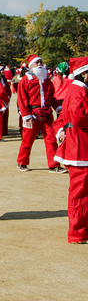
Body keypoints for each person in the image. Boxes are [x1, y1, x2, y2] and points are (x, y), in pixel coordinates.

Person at [57, 57, 88, 243]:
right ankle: (77, 233)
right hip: (80, 149)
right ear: (83, 73)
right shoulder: (78, 90)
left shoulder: (78, 89)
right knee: (80, 193)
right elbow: (77, 117)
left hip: (80, 147)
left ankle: (81, 229)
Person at [16, 55, 65, 173]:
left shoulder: (47, 80)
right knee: (28, 140)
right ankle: (22, 162)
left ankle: (54, 165)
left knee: (51, 140)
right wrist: (26, 116)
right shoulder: (25, 80)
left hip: (47, 114)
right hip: (32, 115)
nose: (39, 64)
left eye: (41, 62)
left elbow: (51, 97)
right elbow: (22, 100)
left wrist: (58, 107)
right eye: (37, 62)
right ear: (30, 65)